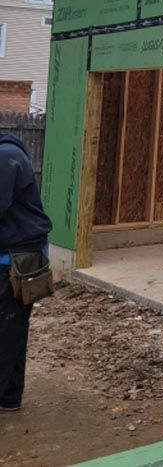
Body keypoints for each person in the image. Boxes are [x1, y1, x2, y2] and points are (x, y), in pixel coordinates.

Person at [0, 133, 52, 412]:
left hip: (14, 264)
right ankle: (8, 398)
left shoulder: (4, 158)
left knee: (5, 333)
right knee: (12, 333)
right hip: (19, 260)